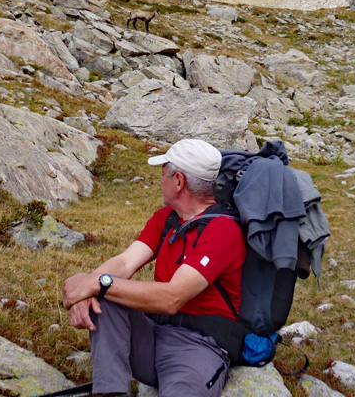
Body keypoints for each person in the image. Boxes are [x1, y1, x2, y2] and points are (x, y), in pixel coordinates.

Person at [62, 138, 246, 397]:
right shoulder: (166, 219)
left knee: (108, 287)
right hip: (153, 335)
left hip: (199, 349)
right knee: (109, 294)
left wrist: (98, 283)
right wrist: (88, 289)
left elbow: (172, 297)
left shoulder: (224, 231)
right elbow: (125, 262)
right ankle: (111, 392)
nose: (161, 181)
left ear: (179, 181)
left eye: (164, 174)